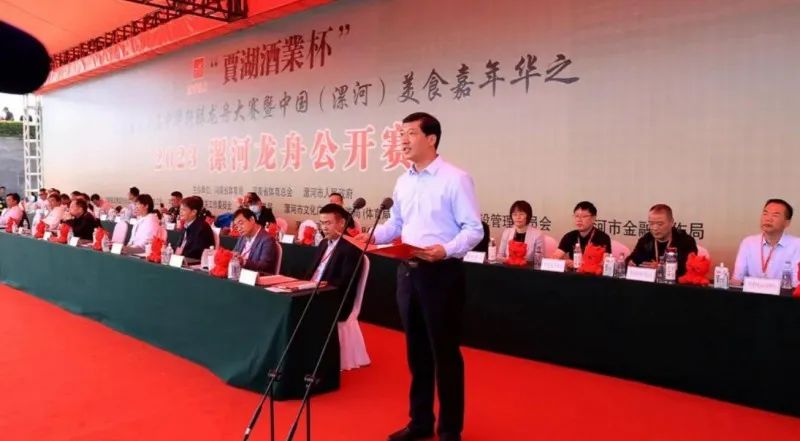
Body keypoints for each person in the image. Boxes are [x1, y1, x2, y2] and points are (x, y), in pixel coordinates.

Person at [358, 112, 482, 441]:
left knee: (445, 353)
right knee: (416, 352)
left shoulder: (455, 179)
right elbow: (396, 225)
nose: (403, 139)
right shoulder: (403, 181)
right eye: (401, 133)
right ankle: (420, 421)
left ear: (431, 139)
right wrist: (370, 235)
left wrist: (446, 249)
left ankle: (450, 430)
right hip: (407, 273)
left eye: (410, 133)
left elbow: (474, 229)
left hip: (441, 274)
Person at [306, 203, 364, 320]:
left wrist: (318, 286)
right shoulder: (323, 243)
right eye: (322, 223)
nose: (324, 228)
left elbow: (345, 282)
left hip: (332, 297)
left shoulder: (351, 248)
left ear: (342, 223)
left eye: (328, 223)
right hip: (310, 291)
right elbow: (312, 271)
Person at [731, 199, 800, 286]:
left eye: (775, 215)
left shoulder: (797, 245)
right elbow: (737, 279)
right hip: (751, 294)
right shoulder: (748, 243)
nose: (768, 219)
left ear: (787, 223)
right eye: (765, 214)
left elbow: (796, 283)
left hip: (784, 294)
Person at [627, 204, 698, 277]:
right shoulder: (646, 240)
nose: (655, 228)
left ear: (671, 222)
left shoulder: (686, 241)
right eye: (651, 224)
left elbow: (688, 270)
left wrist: (661, 268)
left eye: (660, 224)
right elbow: (632, 259)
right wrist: (630, 264)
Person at [552, 201, 613, 268]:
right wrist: (565, 262)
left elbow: (605, 263)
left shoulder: (603, 238)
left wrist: (581, 264)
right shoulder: (569, 236)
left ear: (593, 218)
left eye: (584, 216)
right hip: (573, 274)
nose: (579, 220)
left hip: (592, 273)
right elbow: (555, 257)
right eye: (577, 216)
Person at [232, 208, 279, 273]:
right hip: (239, 274)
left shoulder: (267, 240)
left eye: (241, 223)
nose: (239, 228)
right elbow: (234, 254)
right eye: (236, 226)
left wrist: (244, 262)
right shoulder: (242, 237)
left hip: (255, 276)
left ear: (252, 219)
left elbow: (265, 266)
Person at [175, 196, 215, 260]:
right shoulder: (187, 225)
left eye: (184, 210)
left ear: (193, 212)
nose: (180, 212)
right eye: (180, 209)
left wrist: (179, 257)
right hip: (182, 259)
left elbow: (196, 251)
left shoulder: (202, 227)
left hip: (194, 261)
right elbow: (180, 245)